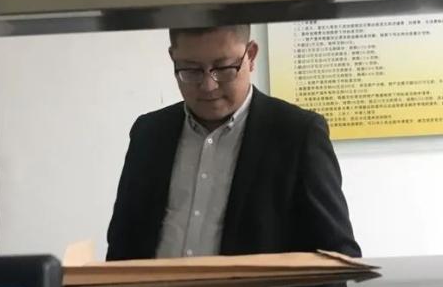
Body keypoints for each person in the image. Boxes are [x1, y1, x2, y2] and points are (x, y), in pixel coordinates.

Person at [106, 25, 360, 260]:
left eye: (224, 68)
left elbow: (337, 256)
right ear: (173, 58)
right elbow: (121, 245)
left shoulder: (298, 133)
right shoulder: (148, 133)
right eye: (191, 70)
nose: (208, 85)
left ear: (251, 55)